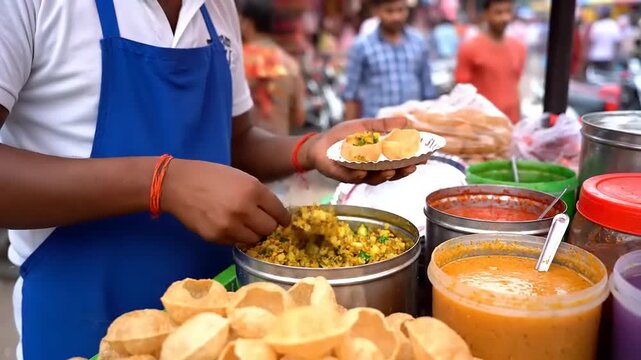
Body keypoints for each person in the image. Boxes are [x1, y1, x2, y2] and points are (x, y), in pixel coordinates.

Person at [0, 1, 421, 358]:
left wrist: (310, 150)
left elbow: (232, 141)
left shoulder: (216, 9)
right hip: (81, 319)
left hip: (219, 322)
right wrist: (162, 182)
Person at [344, 0, 436, 120]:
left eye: (400, 10)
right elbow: (352, 94)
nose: (396, 16)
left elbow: (427, 89)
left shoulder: (418, 42)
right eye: (389, 11)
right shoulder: (362, 46)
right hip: (375, 128)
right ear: (376, 11)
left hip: (412, 124)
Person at [238, 0, 305, 135]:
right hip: (280, 149)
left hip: (242, 150)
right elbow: (299, 117)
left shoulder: (238, 61)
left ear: (247, 24)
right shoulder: (289, 63)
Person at [455, 0, 526, 123]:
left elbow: (516, 87)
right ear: (486, 14)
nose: (505, 18)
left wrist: (518, 122)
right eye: (498, 13)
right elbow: (461, 94)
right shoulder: (469, 48)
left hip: (511, 125)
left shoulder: (519, 48)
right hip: (482, 127)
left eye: (508, 12)